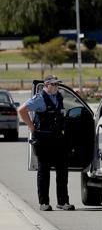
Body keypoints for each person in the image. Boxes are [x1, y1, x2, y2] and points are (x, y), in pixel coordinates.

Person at [18, 75, 75, 211]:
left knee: (62, 171)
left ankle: (63, 202)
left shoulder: (59, 97)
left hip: (58, 138)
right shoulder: (39, 98)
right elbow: (22, 110)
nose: (56, 87)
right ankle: (44, 202)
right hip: (43, 139)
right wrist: (31, 126)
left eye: (57, 84)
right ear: (46, 85)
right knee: (44, 171)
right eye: (53, 84)